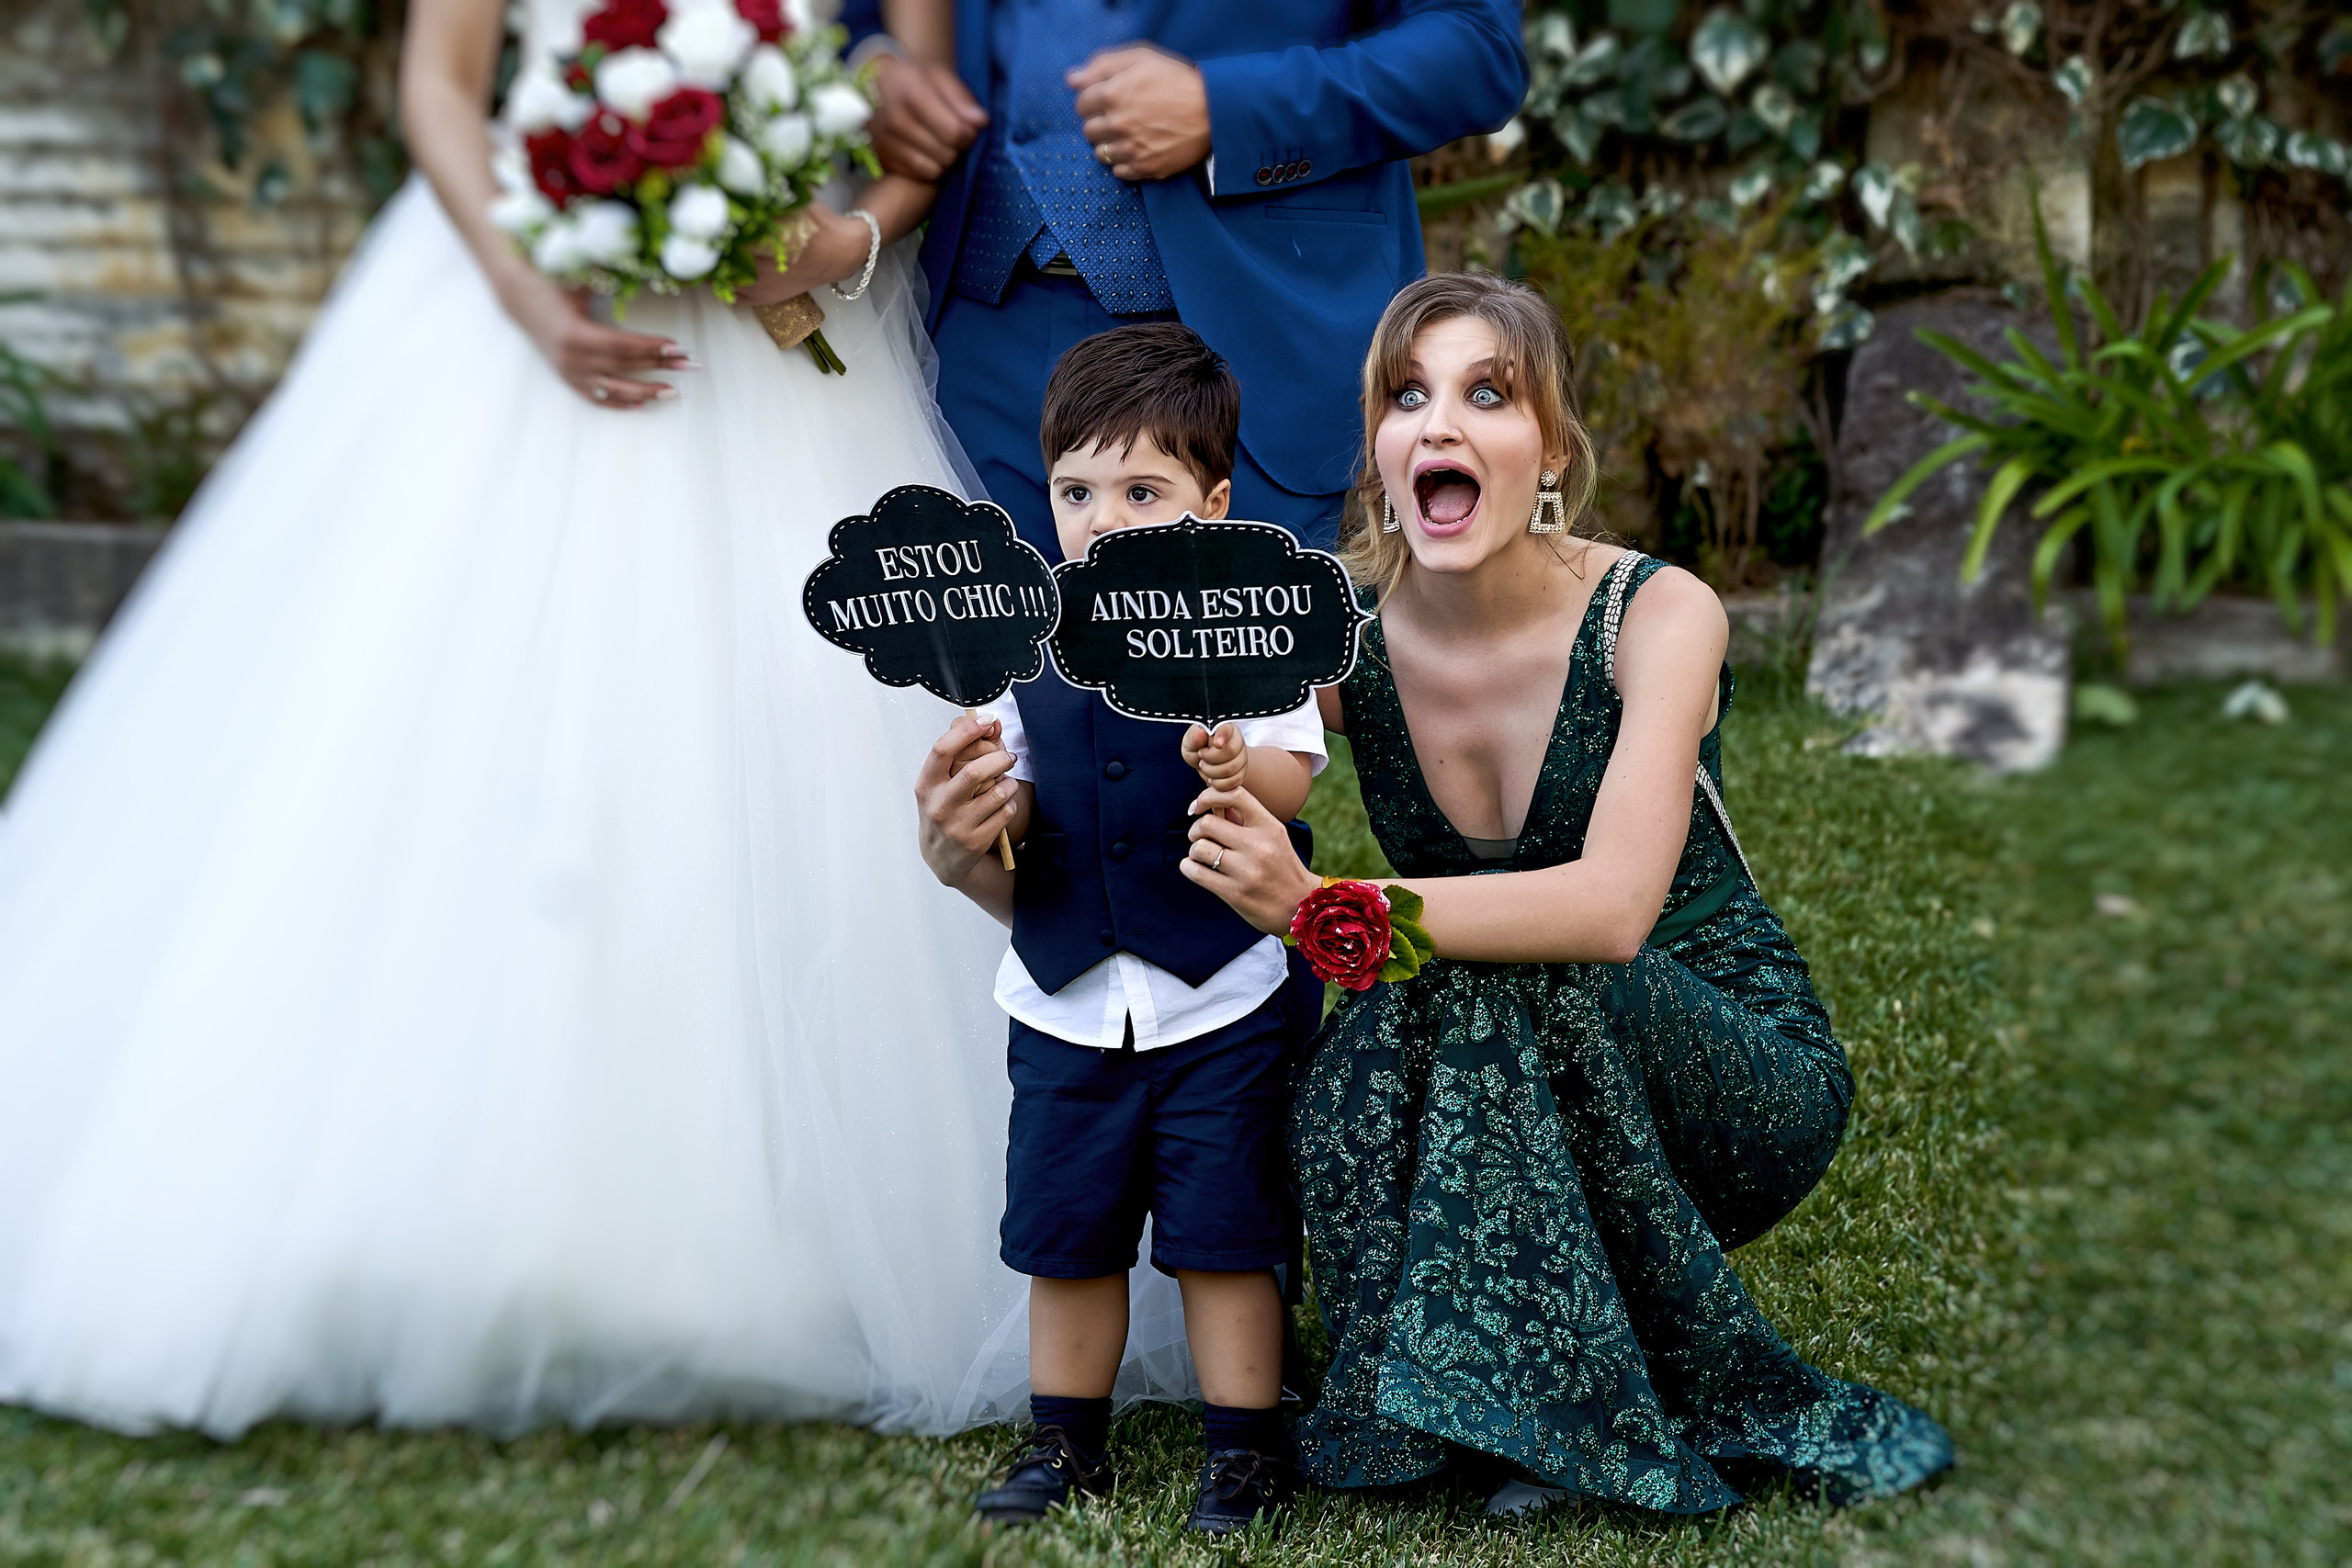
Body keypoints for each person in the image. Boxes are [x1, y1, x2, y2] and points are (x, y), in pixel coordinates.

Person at [0, 0, 1189, 1438]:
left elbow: (924, 111)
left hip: (774, 351)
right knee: (453, 732)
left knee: (803, 757)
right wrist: (523, 289)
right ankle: (432, 1208)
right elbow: (442, 88)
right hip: (519, 316)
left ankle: (793, 1237)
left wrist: (847, 241)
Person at [1177, 274, 1957, 1517]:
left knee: (1503, 963)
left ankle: (1560, 1419)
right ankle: (1444, 1404)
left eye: (1488, 392)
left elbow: (1606, 911)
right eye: (1407, 395)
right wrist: (996, 817)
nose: (1440, 425)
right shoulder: (1344, 631)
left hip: (1720, 1059)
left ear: (1550, 446)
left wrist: (1328, 907)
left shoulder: (1658, 611)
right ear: (1378, 448)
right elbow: (1181, 711)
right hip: (1510, 1056)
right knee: (1380, 1030)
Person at [914, 323, 1323, 1536]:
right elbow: (1024, 799)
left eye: (1141, 490)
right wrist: (989, 801)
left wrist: (1232, 758)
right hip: (1066, 997)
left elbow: (1296, 766)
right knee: (1067, 1231)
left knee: (1225, 1231)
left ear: (1213, 500)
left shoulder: (1249, 622)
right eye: (1077, 490)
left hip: (1222, 992)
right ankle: (1065, 1440)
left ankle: (1242, 1445)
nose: (1102, 517)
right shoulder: (1020, 644)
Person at [842, 0, 1526, 557]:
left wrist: (1225, 109)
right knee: (986, 703)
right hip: (978, 331)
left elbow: (1477, 46)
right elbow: (866, 19)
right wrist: (874, 69)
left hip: (1246, 335)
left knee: (1217, 706)